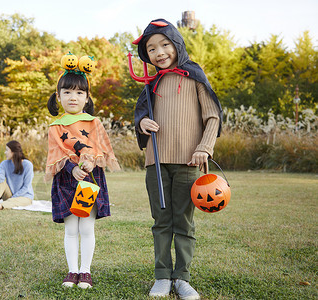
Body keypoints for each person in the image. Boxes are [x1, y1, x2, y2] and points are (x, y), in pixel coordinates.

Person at [133, 19, 223, 299]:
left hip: (189, 161)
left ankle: (182, 277)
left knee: (183, 221)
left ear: (177, 44)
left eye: (165, 44)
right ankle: (162, 276)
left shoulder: (193, 75)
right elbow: (141, 115)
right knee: (161, 220)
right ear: (145, 55)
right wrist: (142, 123)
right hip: (156, 162)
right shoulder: (151, 84)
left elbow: (212, 117)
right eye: (151, 48)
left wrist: (204, 147)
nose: (159, 52)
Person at [45, 53, 120, 289]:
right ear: (58, 97)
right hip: (66, 181)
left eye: (79, 93)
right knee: (71, 228)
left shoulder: (94, 122)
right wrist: (70, 167)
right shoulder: (55, 126)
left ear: (87, 98)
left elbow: (100, 147)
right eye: (67, 92)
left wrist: (88, 163)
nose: (73, 97)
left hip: (89, 179)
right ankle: (72, 271)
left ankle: (85, 272)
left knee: (86, 227)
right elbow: (55, 152)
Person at [0, 140, 34, 211]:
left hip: (25, 197)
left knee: (13, 201)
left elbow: (26, 187)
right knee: (2, 182)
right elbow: (0, 180)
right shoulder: (4, 164)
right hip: (10, 195)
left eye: (7, 150)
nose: (5, 152)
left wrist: (13, 197)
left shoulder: (28, 165)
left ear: (13, 152)